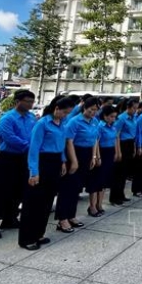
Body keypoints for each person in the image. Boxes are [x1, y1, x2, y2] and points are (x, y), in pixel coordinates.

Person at [19, 96, 76, 250]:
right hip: (42, 162)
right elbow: (34, 149)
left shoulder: (62, 124)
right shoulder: (42, 124)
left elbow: (61, 144)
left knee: (47, 201)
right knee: (33, 203)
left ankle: (39, 233)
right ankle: (26, 238)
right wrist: (34, 172)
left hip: (56, 162)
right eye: (64, 112)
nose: (66, 116)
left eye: (68, 113)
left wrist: (63, 160)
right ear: (56, 108)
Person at [0, 90, 37, 240]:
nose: (30, 104)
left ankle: (10, 218)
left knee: (19, 191)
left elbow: (35, 134)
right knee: (0, 192)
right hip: (8, 158)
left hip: (24, 158)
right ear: (17, 101)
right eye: (27, 101)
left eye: (32, 102)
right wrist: (31, 146)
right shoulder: (8, 118)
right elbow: (9, 137)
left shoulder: (31, 118)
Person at [55, 97, 99, 233]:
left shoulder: (95, 121)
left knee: (77, 188)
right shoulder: (74, 122)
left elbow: (94, 139)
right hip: (74, 154)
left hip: (87, 155)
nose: (93, 113)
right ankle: (62, 219)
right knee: (67, 188)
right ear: (84, 108)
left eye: (96, 110)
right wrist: (74, 161)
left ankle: (71, 216)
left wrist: (93, 156)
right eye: (91, 110)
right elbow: (69, 142)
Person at [88, 105, 119, 217]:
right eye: (111, 116)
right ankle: (92, 206)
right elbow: (96, 142)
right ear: (105, 116)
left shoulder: (113, 126)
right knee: (96, 181)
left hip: (110, 153)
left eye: (115, 117)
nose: (113, 119)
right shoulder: (100, 126)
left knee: (104, 182)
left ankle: (99, 204)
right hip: (101, 152)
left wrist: (116, 152)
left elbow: (115, 139)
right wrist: (97, 157)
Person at [110, 98, 138, 205]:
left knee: (125, 172)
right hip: (122, 144)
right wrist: (118, 151)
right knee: (118, 172)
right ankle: (114, 196)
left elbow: (134, 134)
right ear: (128, 107)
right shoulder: (121, 118)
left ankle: (121, 194)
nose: (135, 110)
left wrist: (134, 148)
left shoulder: (134, 117)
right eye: (134, 108)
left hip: (130, 144)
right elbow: (116, 134)